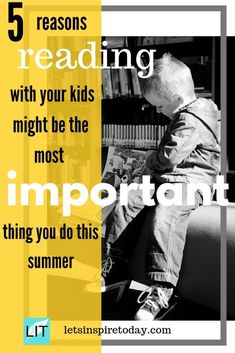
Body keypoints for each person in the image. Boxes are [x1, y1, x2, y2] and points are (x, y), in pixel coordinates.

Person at [91, 53, 221, 320]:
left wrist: (149, 158)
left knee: (165, 216)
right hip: (168, 179)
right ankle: (113, 266)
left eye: (160, 107)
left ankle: (161, 289)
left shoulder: (194, 118)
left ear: (176, 98)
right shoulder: (184, 113)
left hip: (191, 182)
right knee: (128, 200)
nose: (159, 112)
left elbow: (170, 157)